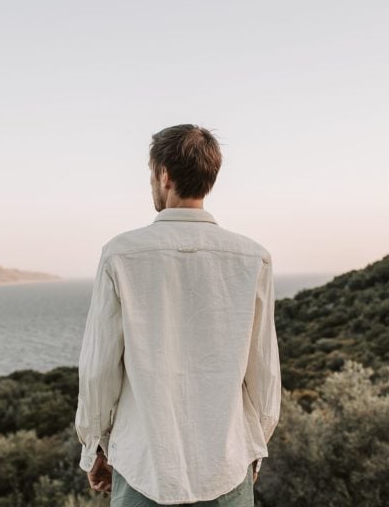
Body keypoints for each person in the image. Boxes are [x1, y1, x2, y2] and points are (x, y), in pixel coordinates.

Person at [75, 124, 281, 506]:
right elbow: (264, 370)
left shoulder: (120, 254)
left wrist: (94, 448)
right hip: (227, 466)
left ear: (164, 175)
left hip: (144, 467)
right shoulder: (254, 257)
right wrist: (253, 444)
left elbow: (98, 370)